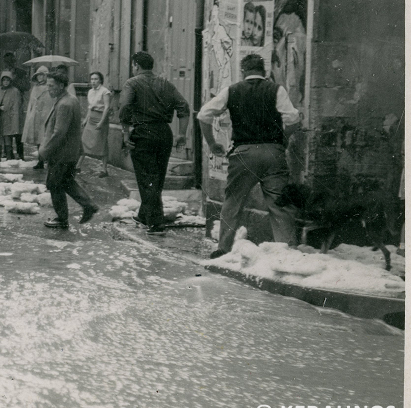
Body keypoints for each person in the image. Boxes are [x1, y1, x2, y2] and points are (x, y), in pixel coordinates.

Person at [198, 53, 302, 258]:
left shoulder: (231, 90)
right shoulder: (276, 89)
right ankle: (287, 251)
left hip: (244, 153)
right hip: (273, 153)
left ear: (243, 71)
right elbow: (293, 119)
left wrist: (212, 143)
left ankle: (223, 249)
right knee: (279, 203)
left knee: (233, 202)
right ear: (264, 71)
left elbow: (204, 114)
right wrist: (283, 140)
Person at [118, 51, 190, 235]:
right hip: (164, 133)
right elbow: (184, 106)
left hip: (143, 133)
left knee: (146, 179)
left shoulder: (131, 83)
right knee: (156, 178)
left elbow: (124, 109)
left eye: (133, 66)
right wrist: (181, 133)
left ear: (136, 65)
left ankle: (156, 223)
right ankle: (144, 215)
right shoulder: (165, 83)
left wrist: (126, 135)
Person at [38, 66, 98, 228]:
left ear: (60, 85)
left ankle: (63, 218)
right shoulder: (69, 99)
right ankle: (87, 206)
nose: (48, 89)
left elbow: (59, 132)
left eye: (51, 86)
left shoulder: (65, 103)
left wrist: (44, 150)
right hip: (69, 152)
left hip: (62, 153)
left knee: (54, 184)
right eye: (48, 85)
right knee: (66, 182)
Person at [21, 65, 55, 169]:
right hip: (36, 116)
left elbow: (52, 102)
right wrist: (31, 115)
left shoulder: (50, 87)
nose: (40, 77)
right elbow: (31, 102)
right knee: (38, 139)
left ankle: (49, 160)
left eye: (42, 75)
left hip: (46, 115)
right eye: (38, 75)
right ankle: (40, 160)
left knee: (47, 138)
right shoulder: (35, 88)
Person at [0, 51, 32, 159]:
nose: (8, 64)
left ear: (14, 61)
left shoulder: (21, 72)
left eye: (10, 61)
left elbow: (27, 86)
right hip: (6, 101)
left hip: (18, 102)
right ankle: (7, 152)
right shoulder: (2, 73)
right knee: (6, 126)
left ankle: (20, 153)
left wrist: (15, 80)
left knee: (18, 127)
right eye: (6, 62)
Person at [81, 71, 114, 177]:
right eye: (92, 79)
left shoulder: (105, 92)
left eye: (96, 79)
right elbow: (90, 107)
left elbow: (107, 107)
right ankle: (77, 166)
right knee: (84, 142)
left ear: (100, 80)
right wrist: (86, 119)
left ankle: (104, 170)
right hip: (91, 118)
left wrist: (101, 122)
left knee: (102, 144)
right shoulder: (90, 91)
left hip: (101, 118)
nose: (93, 81)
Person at [0, 70, 22, 160]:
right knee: (0, 136)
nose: (6, 82)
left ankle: (9, 157)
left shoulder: (15, 91)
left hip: (9, 117)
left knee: (8, 136)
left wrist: (9, 109)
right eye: (4, 80)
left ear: (11, 81)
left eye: (8, 80)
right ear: (1, 81)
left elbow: (17, 104)